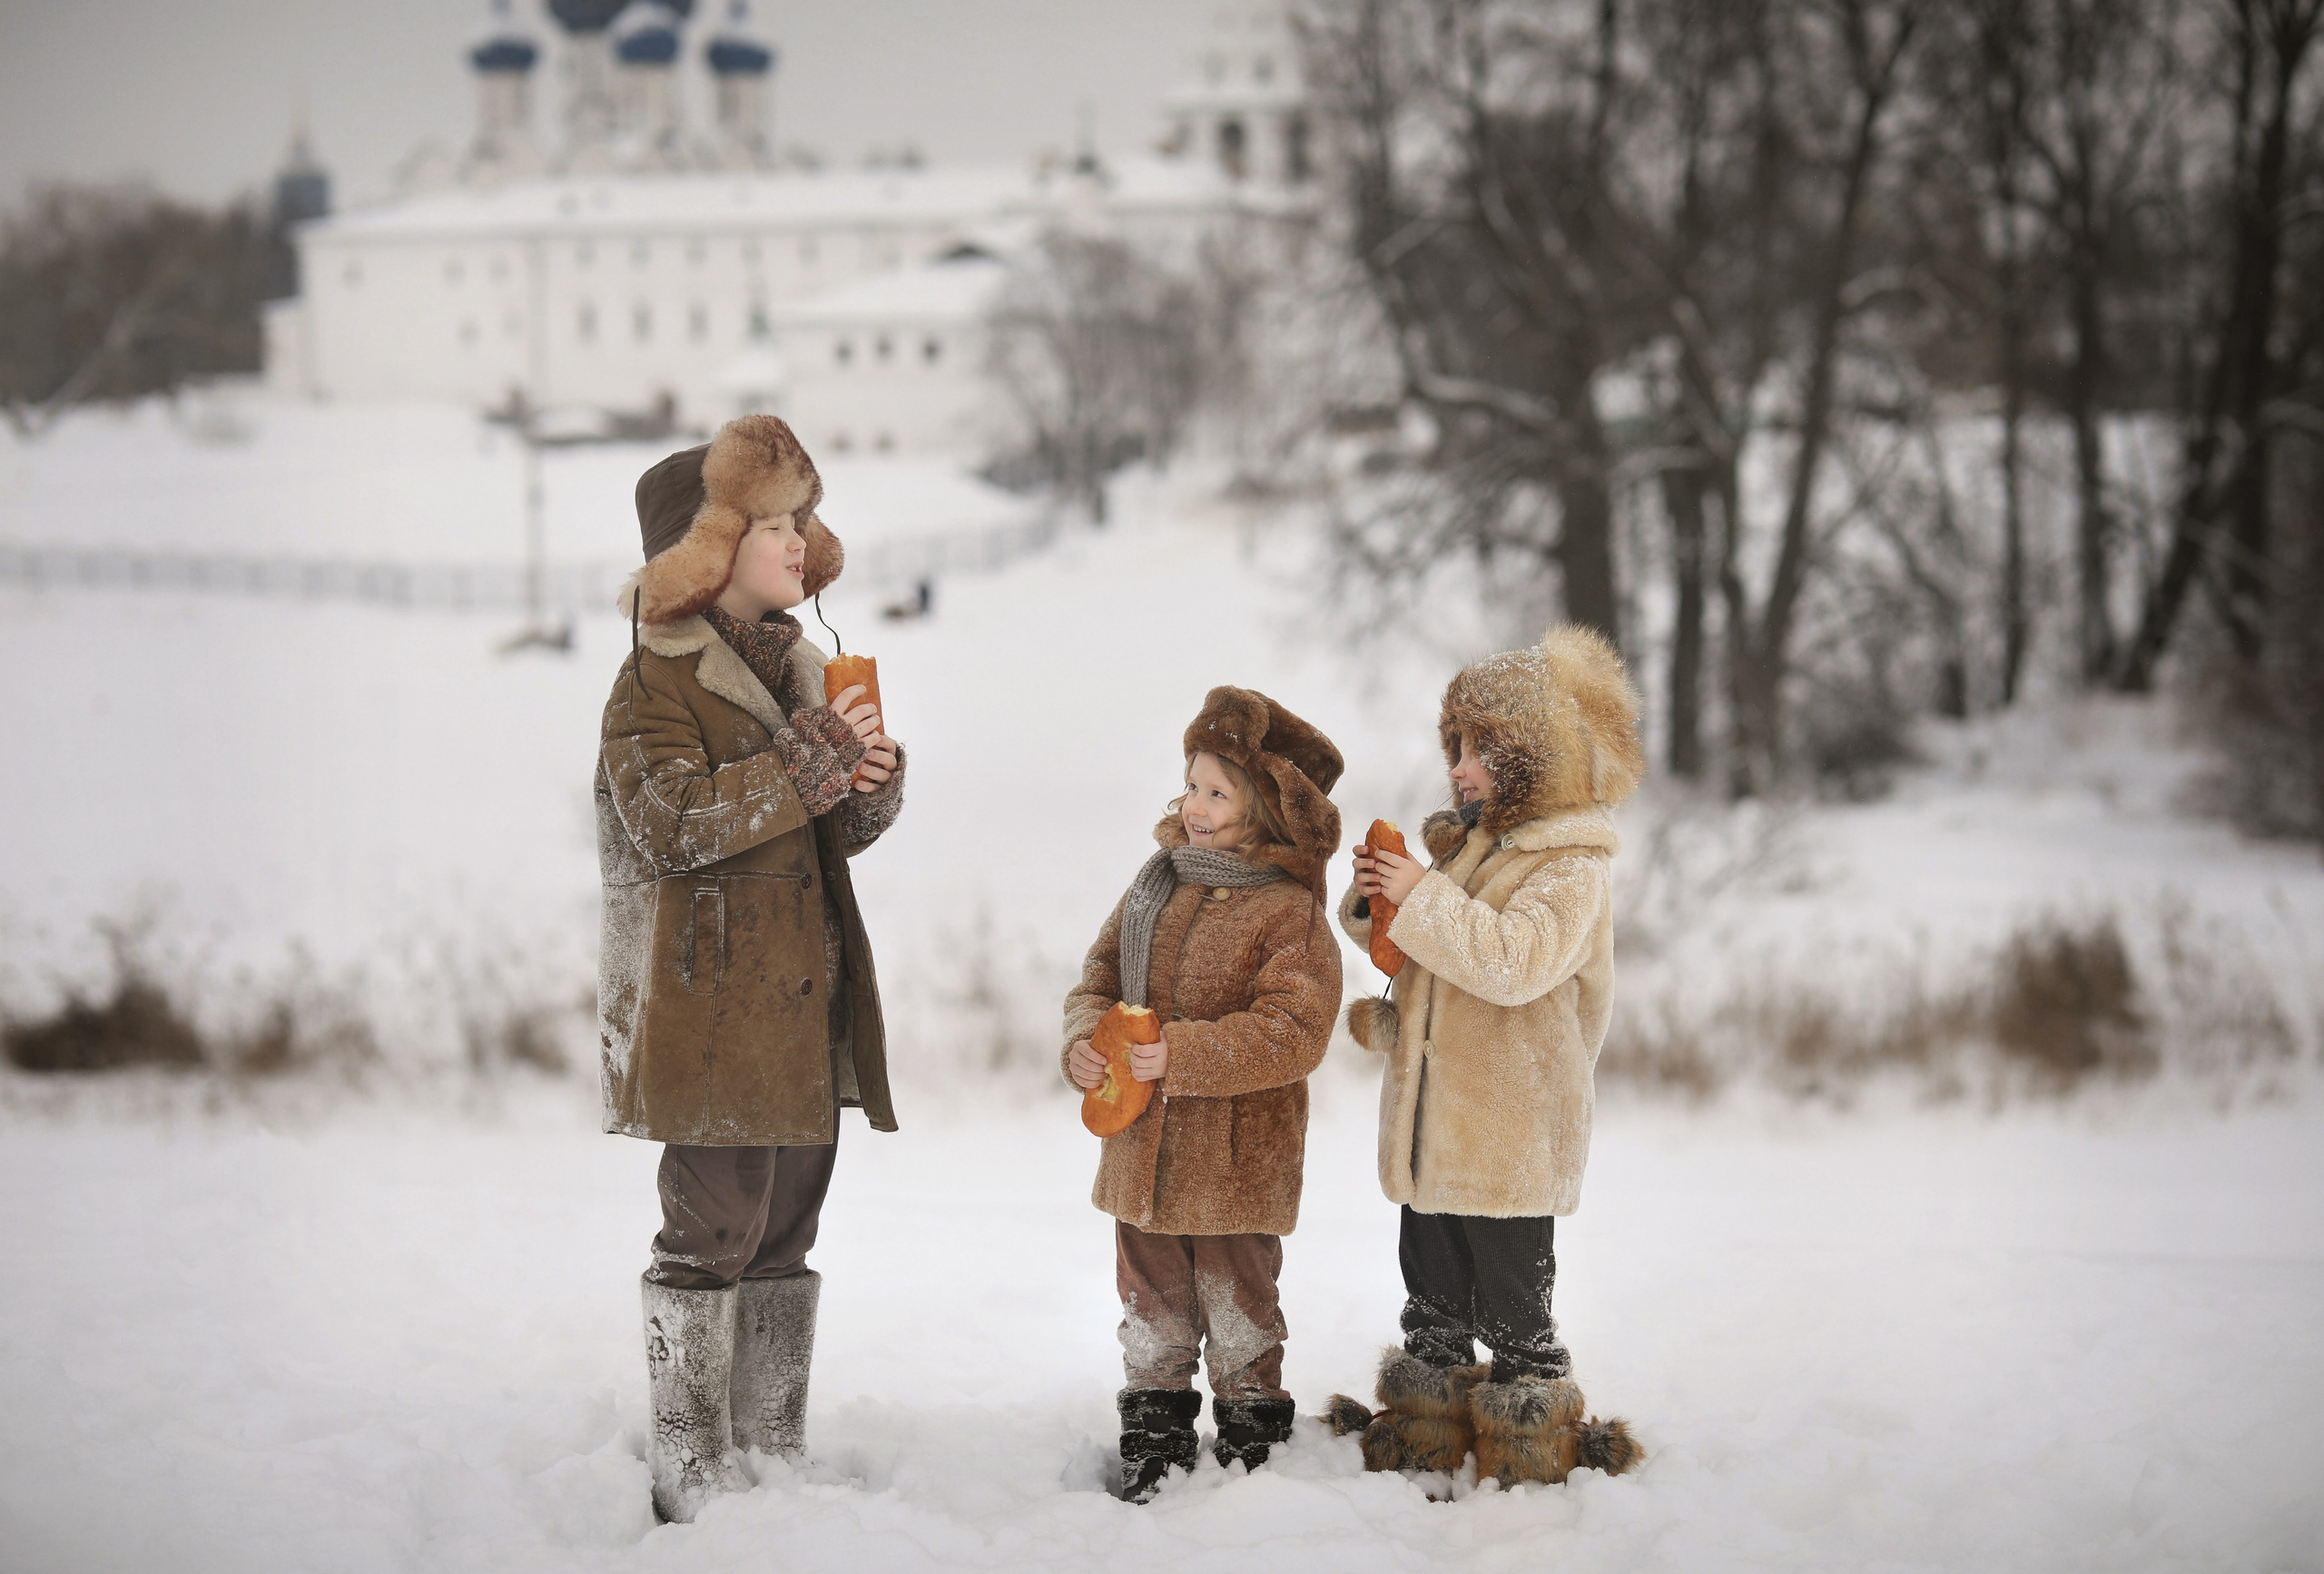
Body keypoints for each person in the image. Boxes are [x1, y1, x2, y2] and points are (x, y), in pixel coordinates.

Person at [596, 414, 905, 1523]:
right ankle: (691, 1461)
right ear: (709, 548)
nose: (798, 541)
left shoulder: (805, 670)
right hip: (711, 1009)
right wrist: (807, 764)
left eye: (802, 522)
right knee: (714, 1230)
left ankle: (770, 1448)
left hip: (803, 1003)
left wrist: (866, 784)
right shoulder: (653, 682)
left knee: (785, 1229)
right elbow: (673, 824)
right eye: (774, 524)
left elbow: (830, 836)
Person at [1327, 624, 1645, 1486]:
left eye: (1479, 751)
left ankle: (1528, 1448)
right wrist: (1379, 901)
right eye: (1454, 749)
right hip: (1437, 1127)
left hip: (1512, 1132)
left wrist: (1421, 896)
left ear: (1533, 759)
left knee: (1512, 1308)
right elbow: (1426, 952)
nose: (1459, 769)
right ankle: (1427, 1430)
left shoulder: (1570, 867)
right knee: (1430, 1294)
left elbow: (1512, 962)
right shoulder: (1469, 848)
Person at [1061, 687, 1344, 1501]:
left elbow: (1294, 1030)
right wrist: (1084, 1041)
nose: (1196, 806)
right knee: (1151, 1306)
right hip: (1142, 1151)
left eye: (1219, 792)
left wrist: (1178, 1054)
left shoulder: (1288, 913)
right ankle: (1155, 1436)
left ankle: (1253, 1440)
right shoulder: (1156, 887)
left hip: (1233, 1162)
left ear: (1265, 809)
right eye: (1191, 785)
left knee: (1238, 1303)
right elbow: (1099, 978)